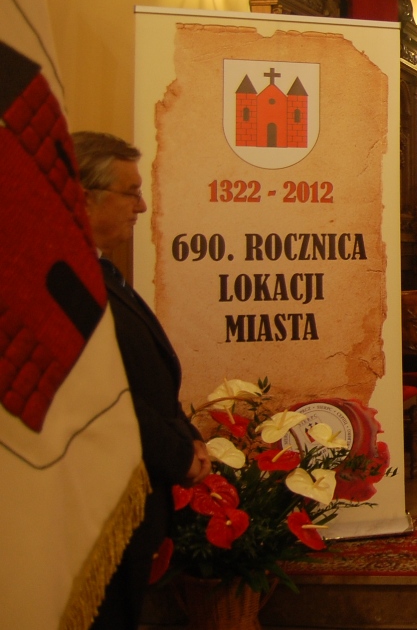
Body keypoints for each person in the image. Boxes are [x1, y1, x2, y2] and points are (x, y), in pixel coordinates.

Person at [74, 132, 210, 630]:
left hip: (136, 486)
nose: (142, 205)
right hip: (98, 499)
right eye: (129, 192)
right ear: (82, 196)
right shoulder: (65, 283)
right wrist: (175, 453)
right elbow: (102, 395)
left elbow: (143, 376)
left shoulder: (100, 273)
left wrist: (187, 436)